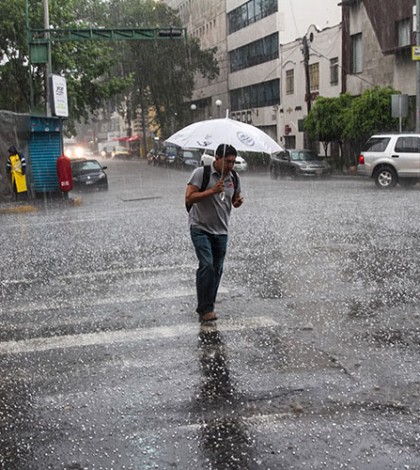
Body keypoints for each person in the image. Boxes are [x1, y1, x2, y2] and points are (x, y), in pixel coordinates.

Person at [185, 144, 244, 322]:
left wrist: (238, 201)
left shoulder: (234, 177)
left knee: (217, 269)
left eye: (233, 162)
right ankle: (205, 309)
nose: (231, 166)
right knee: (207, 265)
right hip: (200, 227)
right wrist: (211, 191)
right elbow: (189, 197)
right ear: (217, 158)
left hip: (221, 230)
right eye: (228, 161)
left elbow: (234, 199)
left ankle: (208, 303)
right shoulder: (200, 173)